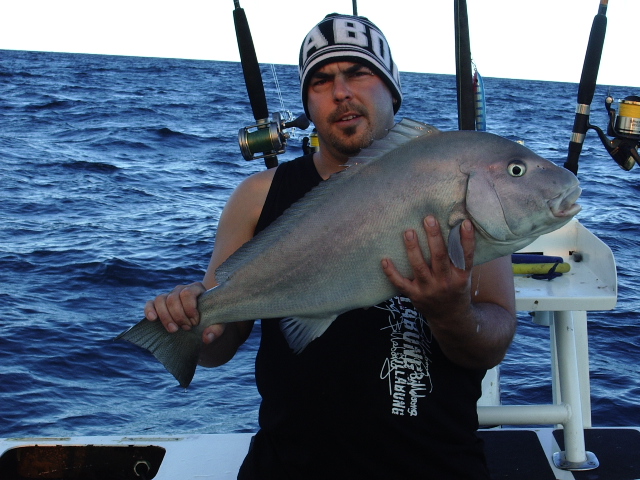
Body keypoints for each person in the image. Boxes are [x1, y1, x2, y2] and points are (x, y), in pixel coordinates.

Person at [144, 13, 517, 479]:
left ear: (391, 88)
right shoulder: (258, 197)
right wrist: (192, 323)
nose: (341, 92)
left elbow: (492, 343)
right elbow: (219, 345)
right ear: (307, 102)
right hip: (289, 465)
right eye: (321, 80)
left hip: (435, 464)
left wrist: (451, 313)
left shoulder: (459, 180)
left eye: (358, 73)